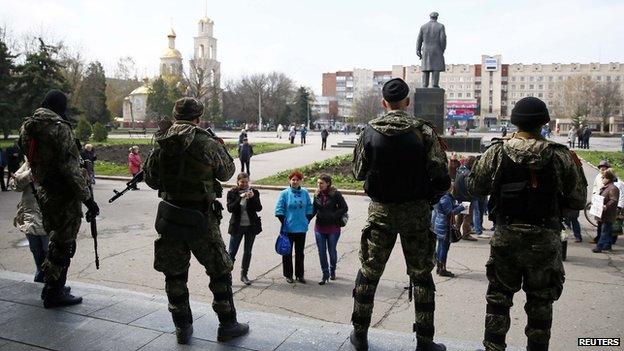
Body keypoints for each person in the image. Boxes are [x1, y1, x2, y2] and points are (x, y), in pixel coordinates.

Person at [466, 96, 587, 351]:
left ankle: (493, 348)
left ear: (513, 121)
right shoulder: (560, 156)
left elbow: (475, 186)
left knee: (499, 300)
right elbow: (578, 199)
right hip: (545, 238)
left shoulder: (496, 152)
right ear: (544, 123)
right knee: (541, 302)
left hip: (506, 236)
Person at [350, 78, 450, 351]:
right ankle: (425, 341)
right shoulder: (423, 132)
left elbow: (358, 172)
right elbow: (441, 176)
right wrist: (429, 197)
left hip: (381, 213)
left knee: (369, 273)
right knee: (421, 276)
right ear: (407, 102)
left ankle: (359, 335)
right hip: (416, 214)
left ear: (384, 103)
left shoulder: (368, 132)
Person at [143, 97, 248, 344]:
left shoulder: (162, 142)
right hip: (201, 217)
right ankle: (227, 325)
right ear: (198, 117)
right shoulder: (205, 142)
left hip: (170, 217)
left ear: (176, 115)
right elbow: (227, 172)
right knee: (219, 271)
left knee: (174, 273)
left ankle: (182, 328)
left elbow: (151, 179)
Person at [19, 89, 98, 308]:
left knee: (55, 239)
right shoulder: (59, 128)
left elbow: (29, 155)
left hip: (45, 191)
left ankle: (54, 285)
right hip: (64, 194)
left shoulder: (28, 126)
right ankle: (53, 291)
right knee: (63, 244)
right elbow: (71, 169)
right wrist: (88, 199)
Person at [9, 160, 49, 283]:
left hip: (50, 216)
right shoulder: (29, 163)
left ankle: (52, 280)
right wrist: (28, 175)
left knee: (50, 250)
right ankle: (40, 272)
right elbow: (14, 185)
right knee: (35, 248)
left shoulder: (57, 160)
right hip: (30, 216)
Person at [275, 170, 313, 284]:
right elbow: (279, 209)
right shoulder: (284, 193)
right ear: (289, 181)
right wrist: (284, 222)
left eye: (297, 180)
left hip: (301, 227)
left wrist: (307, 220)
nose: (295, 182)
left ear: (301, 181)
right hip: (288, 228)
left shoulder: (305, 193)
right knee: (287, 252)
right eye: (293, 180)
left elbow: (309, 208)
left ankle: (300, 275)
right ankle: (288, 275)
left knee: (300, 252)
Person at [226, 173, 262, 285]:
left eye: (246, 182)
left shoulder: (254, 192)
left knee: (248, 251)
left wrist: (252, 198)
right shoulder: (232, 193)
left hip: (250, 227)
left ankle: (244, 274)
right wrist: (239, 198)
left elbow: (259, 208)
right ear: (238, 182)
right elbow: (230, 209)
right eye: (242, 182)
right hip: (237, 227)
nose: (244, 184)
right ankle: (227, 275)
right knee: (232, 252)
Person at [312, 174, 348, 285]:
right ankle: (325, 274)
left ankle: (332, 270)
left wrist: (334, 215)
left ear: (328, 183)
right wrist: (305, 219)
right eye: (318, 183)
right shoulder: (316, 194)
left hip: (333, 228)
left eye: (321, 183)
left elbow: (344, 207)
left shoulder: (335, 194)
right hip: (319, 227)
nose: (319, 185)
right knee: (321, 252)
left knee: (332, 251)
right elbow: (314, 209)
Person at [431, 184, 464, 277]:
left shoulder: (441, 196)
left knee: (441, 246)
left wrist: (457, 205)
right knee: (444, 248)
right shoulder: (446, 198)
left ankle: (439, 267)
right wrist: (461, 207)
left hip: (439, 224)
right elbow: (450, 213)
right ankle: (442, 269)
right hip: (445, 226)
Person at [416, 12, 446, 88]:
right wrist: (442, 49)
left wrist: (418, 50)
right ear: (437, 17)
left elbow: (419, 40)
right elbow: (443, 39)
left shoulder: (423, 27)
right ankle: (435, 84)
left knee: (426, 67)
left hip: (426, 50)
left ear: (430, 17)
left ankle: (424, 84)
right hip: (437, 49)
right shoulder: (440, 26)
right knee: (436, 67)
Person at [593, 169, 619, 253]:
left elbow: (613, 200)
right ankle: (607, 245)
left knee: (604, 231)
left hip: (607, 214)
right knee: (604, 230)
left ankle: (599, 247)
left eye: (603, 178)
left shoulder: (613, 188)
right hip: (602, 214)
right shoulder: (605, 187)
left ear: (608, 179)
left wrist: (606, 206)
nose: (602, 179)